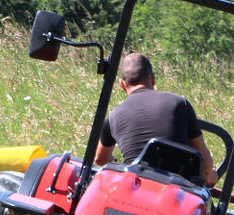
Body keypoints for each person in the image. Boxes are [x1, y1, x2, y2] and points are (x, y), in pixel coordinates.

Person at [93, 53, 219, 187]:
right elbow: (205, 163)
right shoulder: (180, 103)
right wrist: (211, 177)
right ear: (153, 79)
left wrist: (113, 161)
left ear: (122, 85)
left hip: (133, 187)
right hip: (176, 189)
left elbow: (99, 159)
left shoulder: (112, 117)